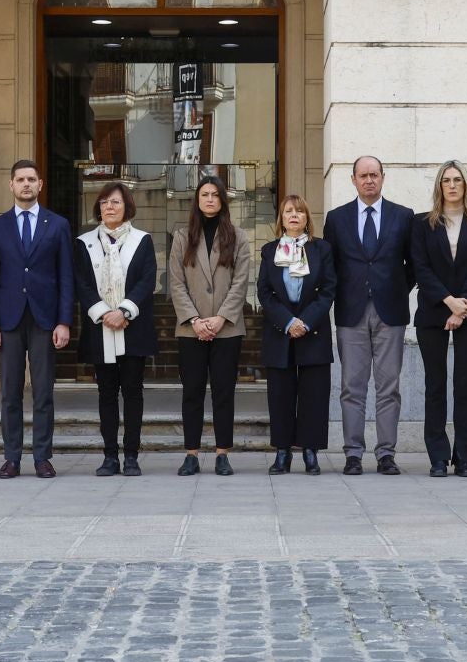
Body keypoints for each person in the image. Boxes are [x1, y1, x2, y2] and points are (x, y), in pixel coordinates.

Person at [0, 159, 74, 480]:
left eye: (31, 179)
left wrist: (64, 321)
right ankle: (12, 458)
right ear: (11, 184)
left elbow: (66, 278)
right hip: (7, 320)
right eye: (20, 179)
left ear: (40, 184)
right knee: (10, 392)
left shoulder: (57, 225)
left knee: (44, 391)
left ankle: (42, 457)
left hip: (44, 319)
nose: (25, 184)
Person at [322, 156, 414, 476]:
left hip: (391, 312)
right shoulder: (336, 219)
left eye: (374, 175)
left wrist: (396, 289)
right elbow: (329, 267)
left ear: (383, 178)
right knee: (352, 386)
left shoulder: (403, 217)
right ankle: (353, 454)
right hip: (351, 312)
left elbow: (412, 265)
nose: (369, 180)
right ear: (353, 180)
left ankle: (386, 453)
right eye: (363, 175)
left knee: (389, 387)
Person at [409, 161, 467, 478]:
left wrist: (464, 306)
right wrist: (448, 302)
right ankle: (437, 456)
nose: (453, 185)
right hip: (433, 311)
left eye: (458, 180)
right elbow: (421, 267)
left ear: (466, 185)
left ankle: (464, 457)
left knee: (464, 385)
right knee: (435, 385)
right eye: (447, 180)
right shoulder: (422, 224)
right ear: (439, 186)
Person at [167, 173, 254, 477]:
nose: (209, 199)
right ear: (197, 199)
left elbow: (241, 282)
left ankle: (222, 453)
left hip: (227, 328)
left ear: (222, 200)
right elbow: (176, 284)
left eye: (215, 195)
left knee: (223, 391)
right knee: (191, 391)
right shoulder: (181, 237)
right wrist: (194, 319)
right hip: (190, 328)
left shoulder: (238, 237)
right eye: (204, 194)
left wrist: (219, 318)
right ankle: (191, 453)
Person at [75, 182, 157, 478]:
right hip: (100, 328)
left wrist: (123, 311)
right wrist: (103, 313)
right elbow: (81, 283)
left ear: (127, 207)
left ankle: (132, 456)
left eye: (116, 202)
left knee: (133, 393)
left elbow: (147, 281)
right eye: (105, 202)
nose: (109, 207)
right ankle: (110, 456)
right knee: (106, 393)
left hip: (133, 327)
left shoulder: (142, 240)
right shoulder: (85, 242)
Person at [258, 194, 336, 476]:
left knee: (314, 395)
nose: (294, 215)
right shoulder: (269, 251)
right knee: (280, 395)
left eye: (299, 211)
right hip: (280, 332)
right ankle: (282, 452)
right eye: (288, 211)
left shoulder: (322, 249)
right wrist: (288, 322)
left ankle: (311, 451)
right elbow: (264, 294)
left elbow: (328, 290)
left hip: (313, 331)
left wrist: (304, 321)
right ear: (281, 218)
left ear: (306, 218)